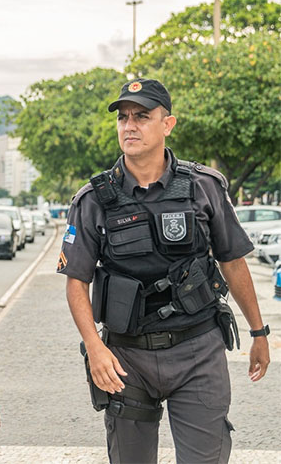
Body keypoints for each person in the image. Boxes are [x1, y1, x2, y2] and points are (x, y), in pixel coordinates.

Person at [58, 78, 270, 463]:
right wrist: (95, 347)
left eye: (142, 116)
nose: (130, 126)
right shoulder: (93, 200)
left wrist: (259, 332)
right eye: (123, 118)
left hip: (198, 350)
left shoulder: (204, 186)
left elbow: (233, 260)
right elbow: (77, 282)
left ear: (167, 124)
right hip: (127, 359)